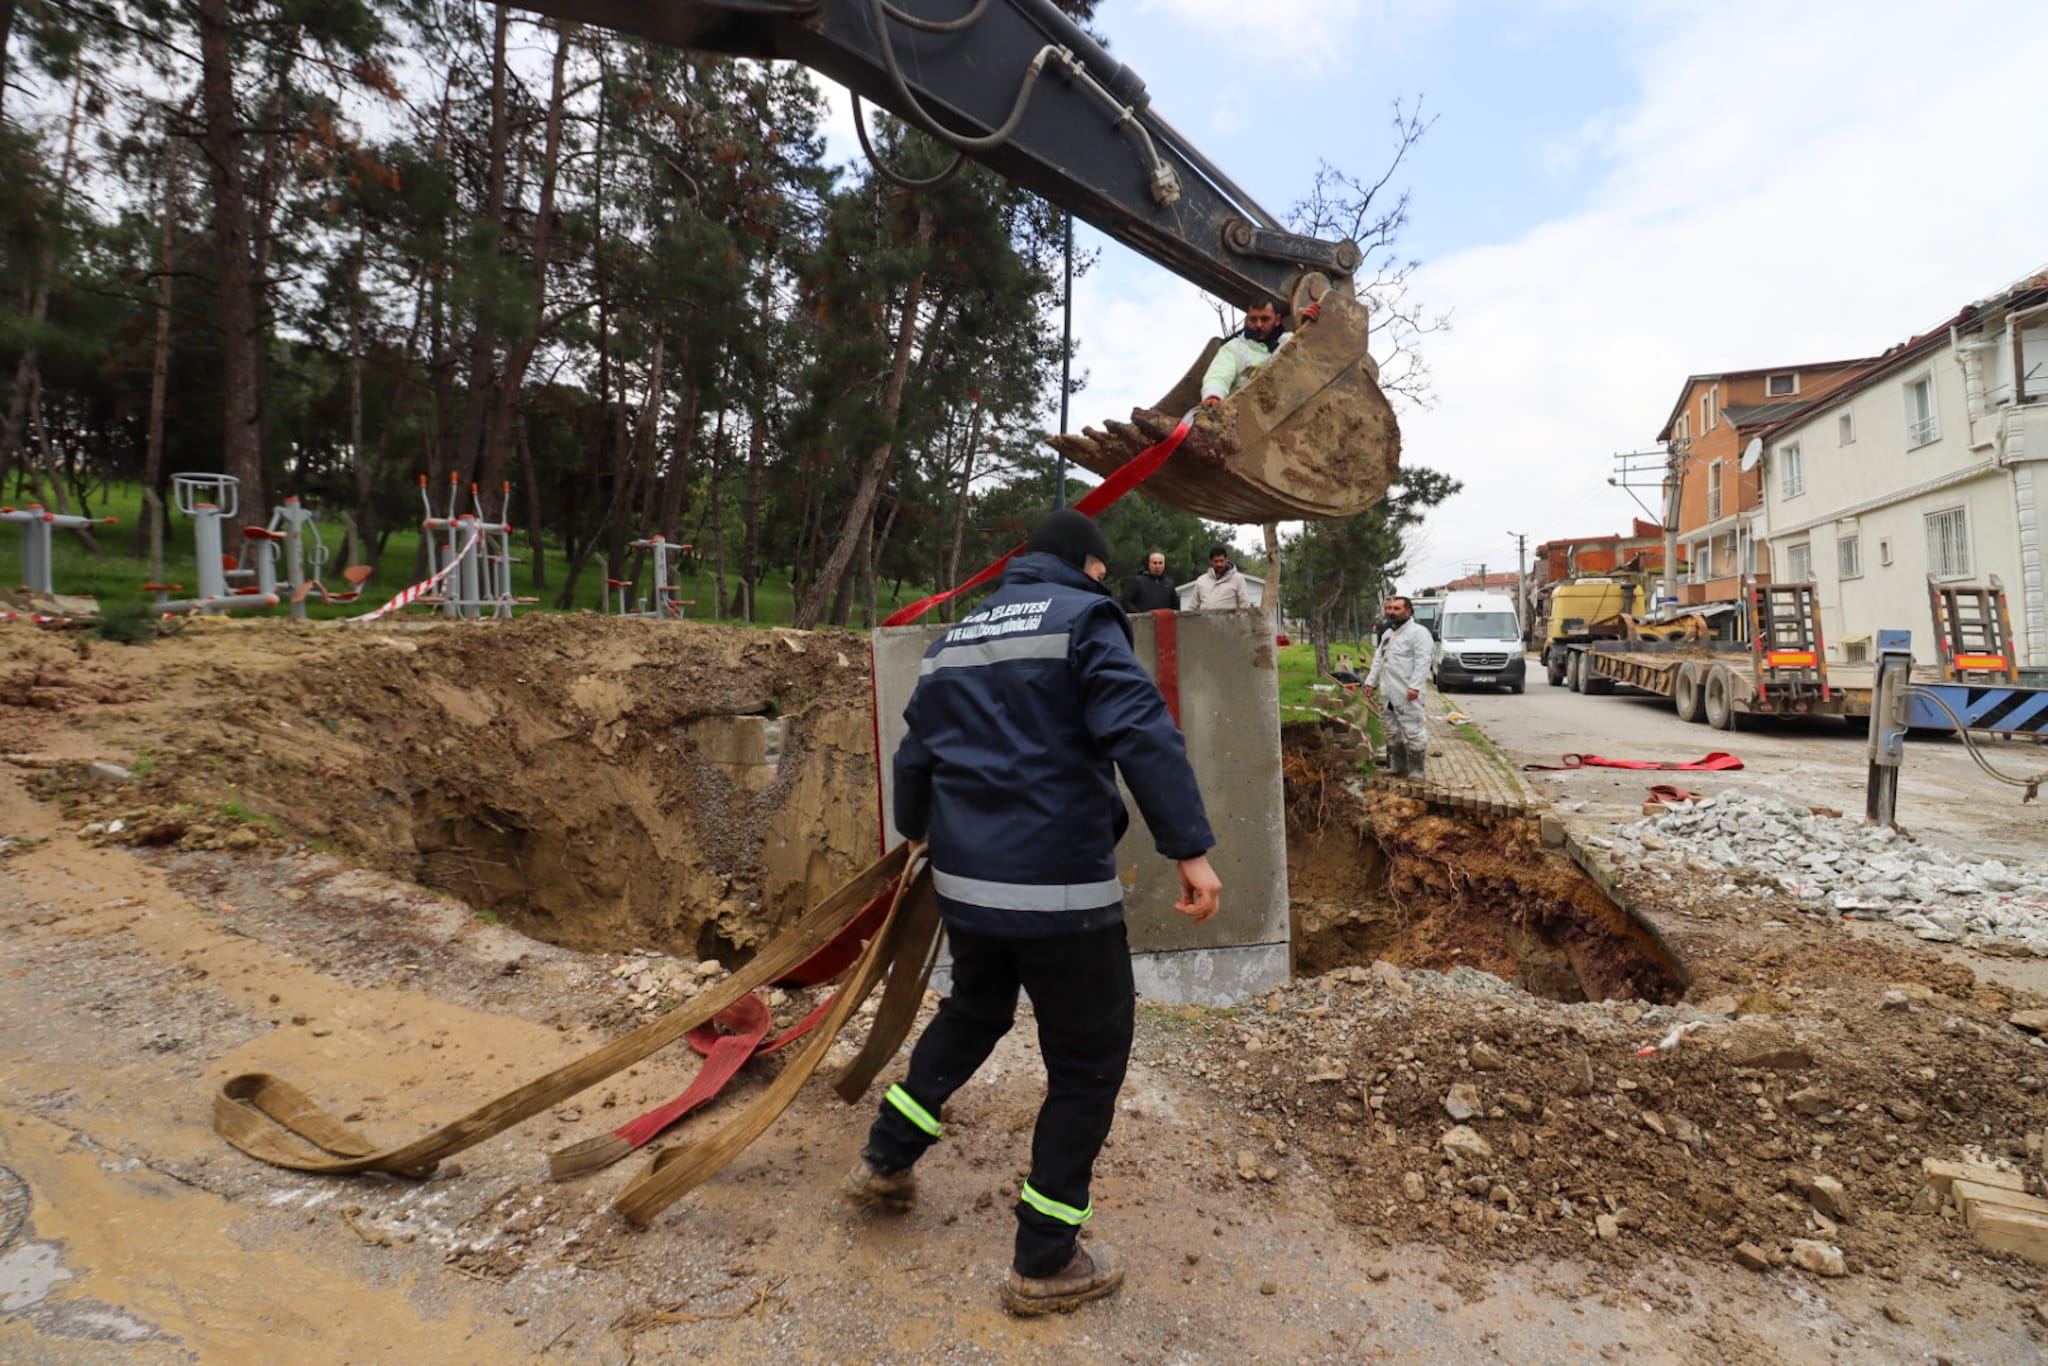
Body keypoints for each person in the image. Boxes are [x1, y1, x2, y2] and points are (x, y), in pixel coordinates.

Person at [849, 507, 1223, 1318]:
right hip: (1062, 898)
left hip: (970, 892)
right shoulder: (1087, 619)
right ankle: (1047, 1258)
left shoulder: (956, 638)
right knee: (1087, 1065)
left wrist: (916, 832)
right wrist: (1189, 849)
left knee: (973, 1011)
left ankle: (886, 1158)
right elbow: (1142, 734)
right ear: (1091, 569)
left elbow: (917, 755)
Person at [1198, 295, 1320, 405]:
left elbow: (1315, 361)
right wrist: (1213, 396)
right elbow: (1219, 375)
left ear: (1277, 320)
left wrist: (1307, 328)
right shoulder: (1235, 348)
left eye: (1265, 319)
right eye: (1253, 319)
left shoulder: (1289, 341)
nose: (1258, 325)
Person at [1364, 596, 1432, 779]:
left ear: (1408, 612)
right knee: (1391, 729)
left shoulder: (1419, 633)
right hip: (1388, 692)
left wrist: (1415, 686)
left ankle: (1417, 770)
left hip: (1407, 691)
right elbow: (1378, 661)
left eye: (1396, 608)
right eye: (1389, 608)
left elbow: (1423, 661)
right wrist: (1371, 682)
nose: (1390, 612)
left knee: (1413, 729)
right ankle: (1398, 766)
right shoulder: (1387, 635)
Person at [1190, 544, 1254, 611]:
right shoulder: (1201, 581)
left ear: (1226, 560)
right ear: (1211, 561)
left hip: (1230, 621)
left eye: (1221, 561)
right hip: (1204, 621)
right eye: (1216, 561)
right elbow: (1193, 607)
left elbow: (1245, 605)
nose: (1219, 564)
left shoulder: (1238, 579)